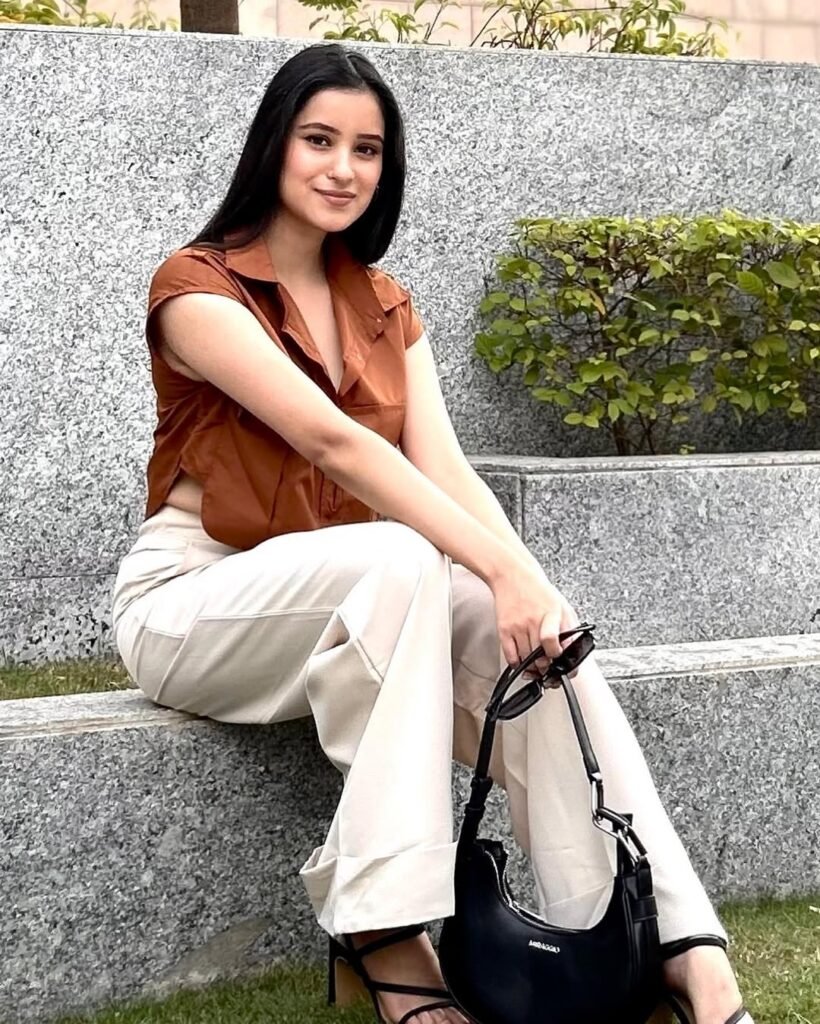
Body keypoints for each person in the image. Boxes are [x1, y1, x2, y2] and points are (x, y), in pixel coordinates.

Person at [111, 42, 752, 1024]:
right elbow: (331, 442)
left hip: (367, 592)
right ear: (273, 146)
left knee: (546, 659)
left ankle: (674, 950)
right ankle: (386, 928)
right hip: (196, 601)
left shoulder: (383, 304)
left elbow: (446, 471)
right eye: (319, 140)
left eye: (366, 149)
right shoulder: (197, 289)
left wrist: (529, 590)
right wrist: (496, 566)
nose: (342, 167)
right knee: (414, 557)